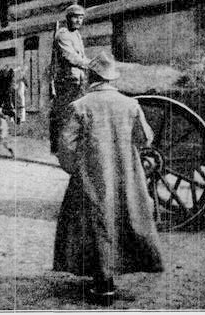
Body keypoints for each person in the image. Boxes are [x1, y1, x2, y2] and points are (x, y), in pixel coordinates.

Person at [53, 51, 164, 306]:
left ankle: (101, 282)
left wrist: (74, 171)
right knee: (125, 216)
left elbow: (66, 147)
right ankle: (112, 276)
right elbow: (145, 139)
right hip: (126, 173)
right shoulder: (130, 104)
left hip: (92, 172)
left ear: (91, 76)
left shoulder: (80, 106)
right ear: (112, 78)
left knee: (95, 221)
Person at [49, 3, 90, 154]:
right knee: (65, 113)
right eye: (76, 18)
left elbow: (82, 56)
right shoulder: (63, 34)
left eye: (81, 18)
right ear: (68, 19)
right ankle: (60, 147)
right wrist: (89, 64)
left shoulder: (77, 35)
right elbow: (71, 57)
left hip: (79, 80)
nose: (79, 21)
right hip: (67, 81)